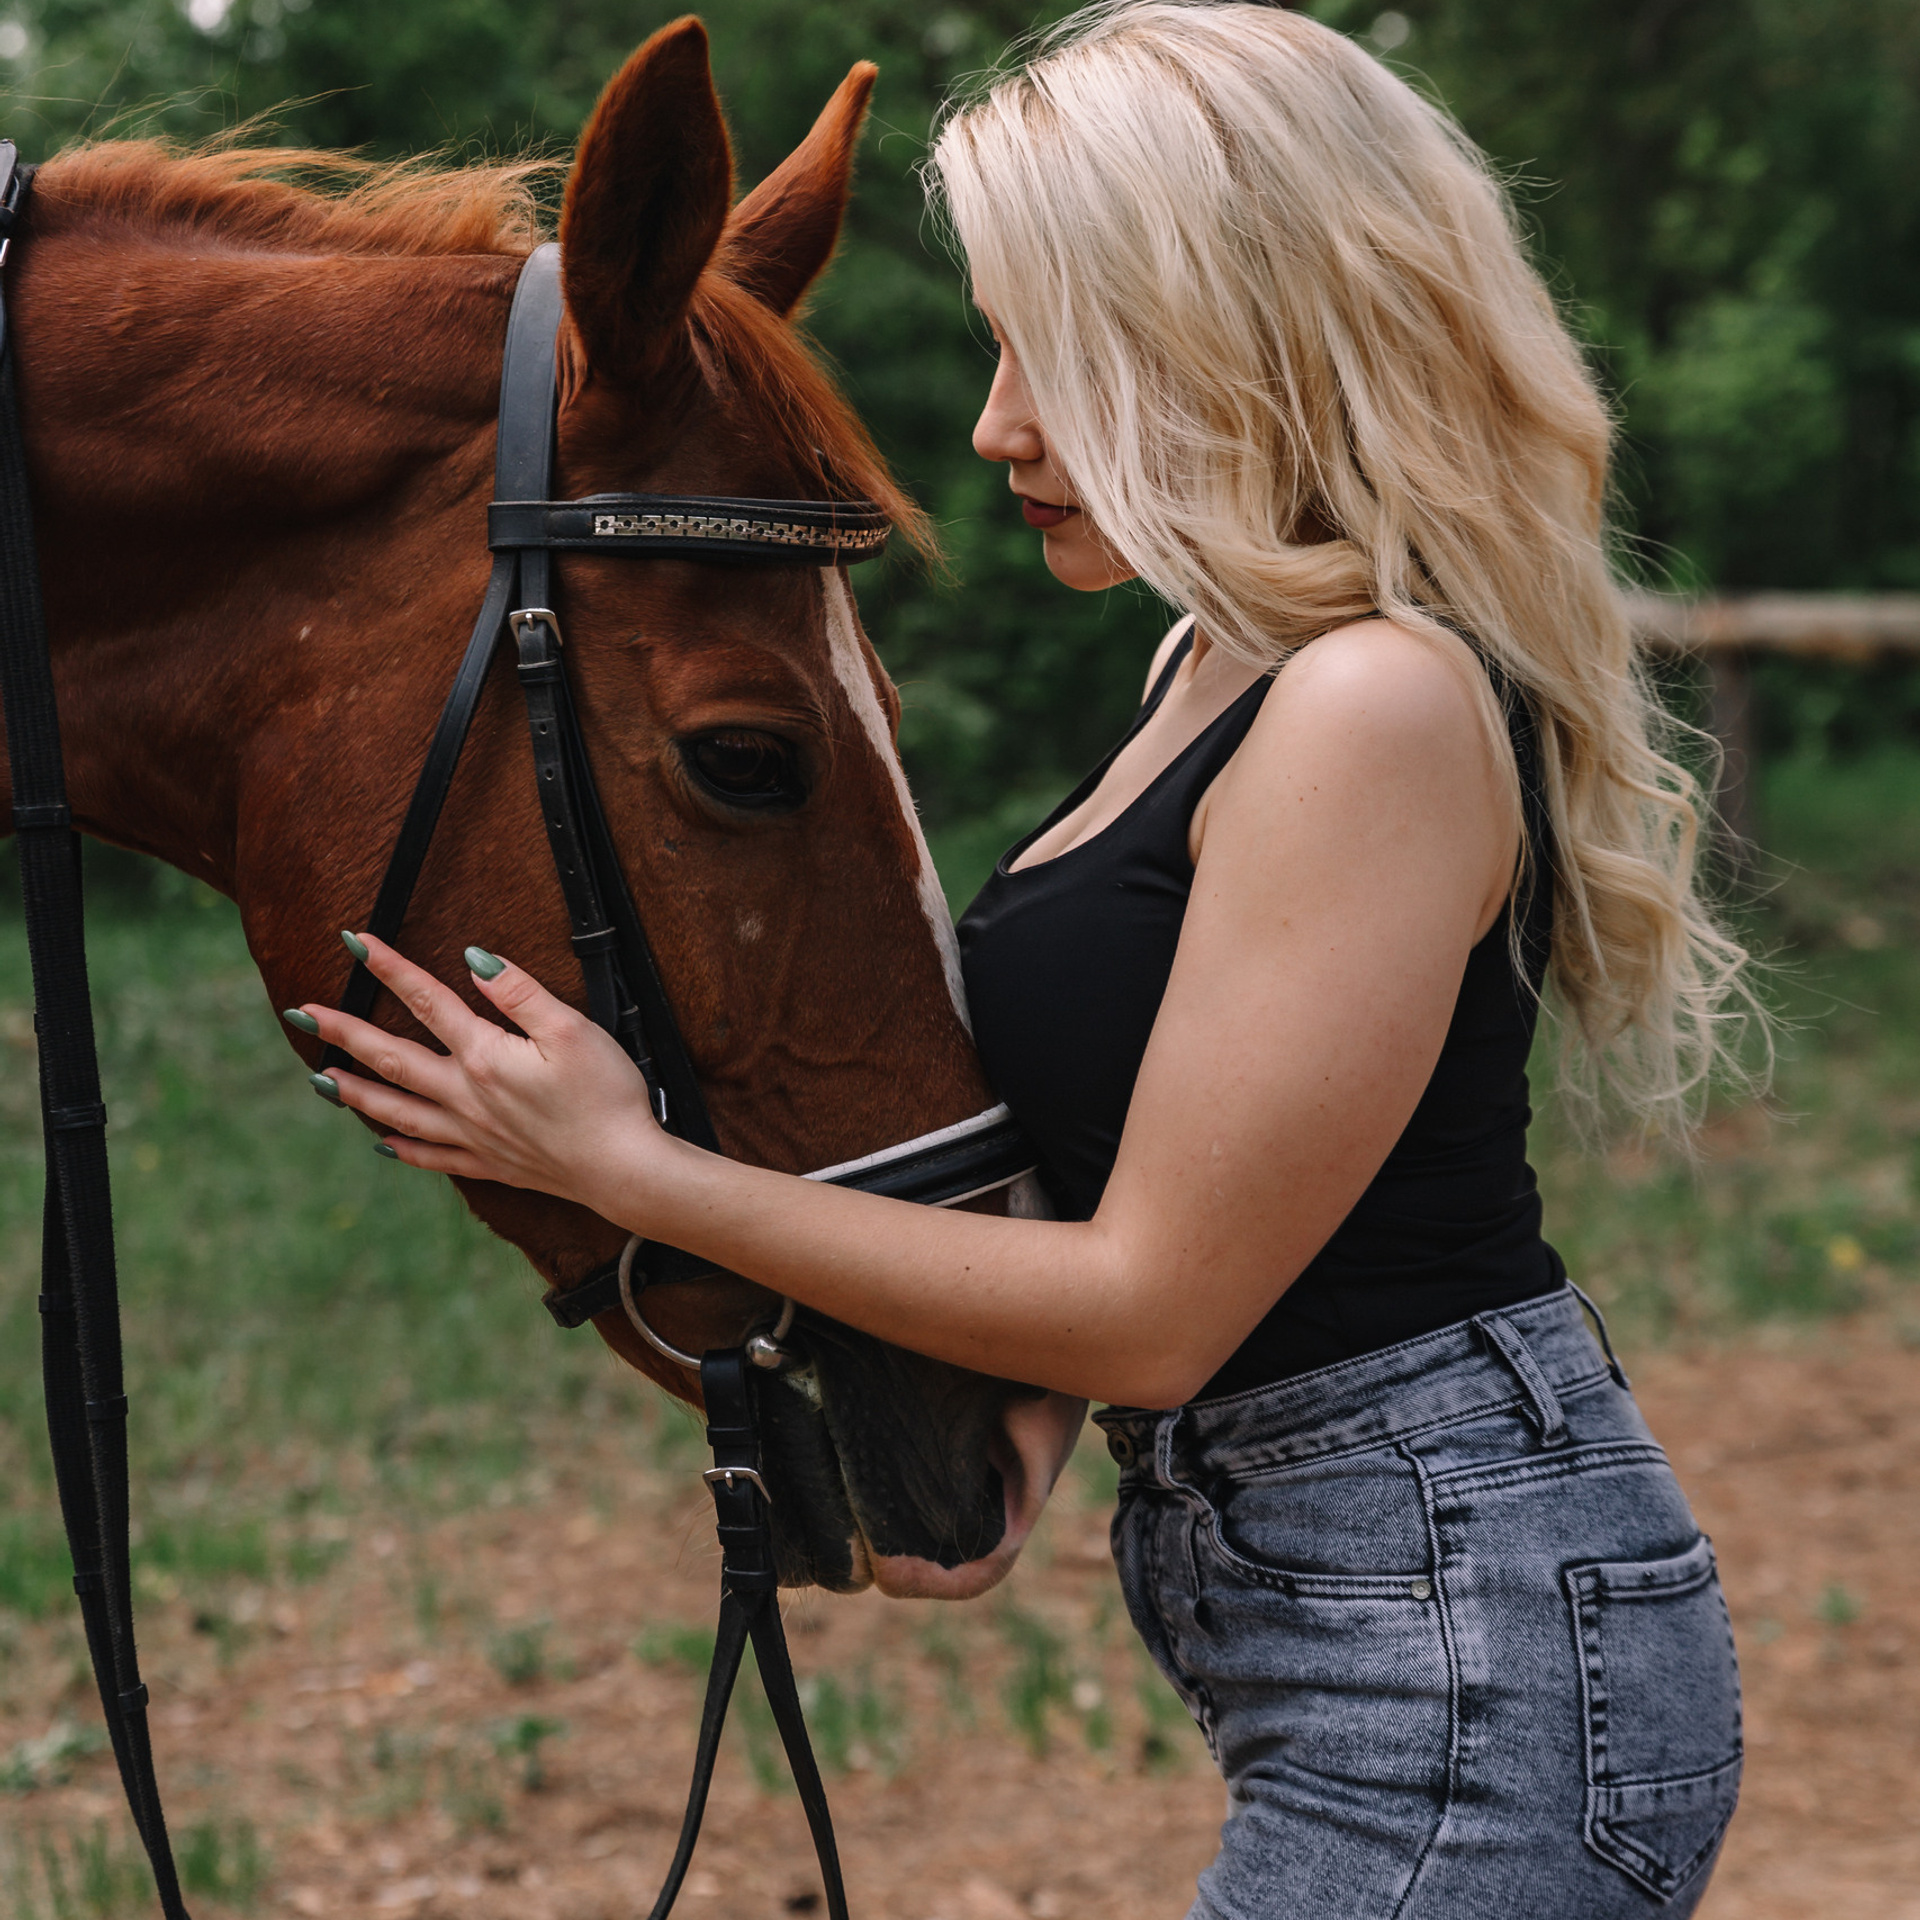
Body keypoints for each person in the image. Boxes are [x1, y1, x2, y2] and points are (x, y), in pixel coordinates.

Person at [295, 6, 1755, 1913]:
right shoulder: (1209, 664)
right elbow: (1179, 1147)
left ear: (1233, 329)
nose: (992, 426)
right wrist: (1027, 1417)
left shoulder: (1373, 707)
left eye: (1045, 350)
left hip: (1471, 1662)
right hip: (1392, 1629)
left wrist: (630, 1171)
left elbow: (1158, 1304)